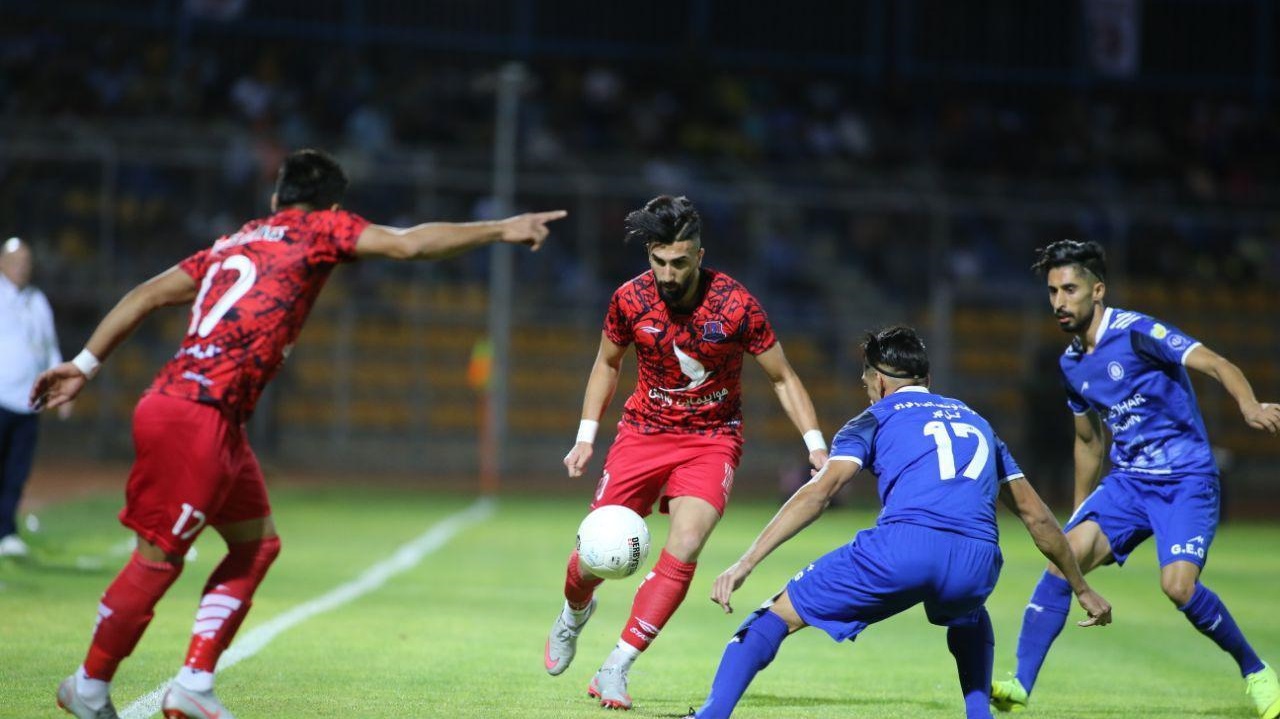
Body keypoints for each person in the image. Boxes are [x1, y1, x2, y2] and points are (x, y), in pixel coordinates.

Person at [31, 148, 566, 719]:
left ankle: (193, 681)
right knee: (158, 557)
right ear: (334, 206)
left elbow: (146, 294)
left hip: (208, 416)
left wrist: (84, 365)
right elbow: (408, 244)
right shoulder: (320, 228)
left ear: (274, 197)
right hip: (195, 412)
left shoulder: (231, 242)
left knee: (256, 543)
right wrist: (499, 230)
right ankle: (87, 686)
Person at [685, 325, 1112, 719]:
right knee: (968, 614)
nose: (867, 392)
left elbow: (821, 492)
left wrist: (747, 562)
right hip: (978, 560)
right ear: (925, 379)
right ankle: (978, 714)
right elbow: (1036, 516)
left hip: (903, 549)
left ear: (880, 381)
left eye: (866, 384)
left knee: (773, 616)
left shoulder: (873, 418)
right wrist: (1082, 587)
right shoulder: (978, 422)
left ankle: (710, 715)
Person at [547, 195, 829, 710]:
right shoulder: (630, 300)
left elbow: (783, 376)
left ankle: (616, 668)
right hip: (642, 433)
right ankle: (573, 613)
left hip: (712, 439)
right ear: (649, 254)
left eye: (680, 262)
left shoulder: (737, 305)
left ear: (700, 255)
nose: (669, 274)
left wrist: (815, 446)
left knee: (689, 540)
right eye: (659, 262)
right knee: (593, 555)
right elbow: (607, 364)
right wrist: (586, 435)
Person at [990, 240, 1280, 718]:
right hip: (1128, 484)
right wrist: (1080, 515)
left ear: (1097, 290)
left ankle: (1256, 670)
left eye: (1070, 289)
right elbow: (1087, 442)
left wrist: (1248, 406)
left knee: (1178, 588)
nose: (1060, 302)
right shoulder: (1070, 364)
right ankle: (1020, 683)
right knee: (1062, 560)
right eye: (1052, 292)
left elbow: (1217, 363)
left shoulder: (1139, 332)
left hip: (1186, 479)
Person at [0, 237, 70, 557]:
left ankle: (6, 532)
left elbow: (49, 347)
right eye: (16, 262)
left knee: (17, 470)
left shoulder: (36, 300)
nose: (22, 267)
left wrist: (62, 387)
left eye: (26, 262)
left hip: (28, 401)